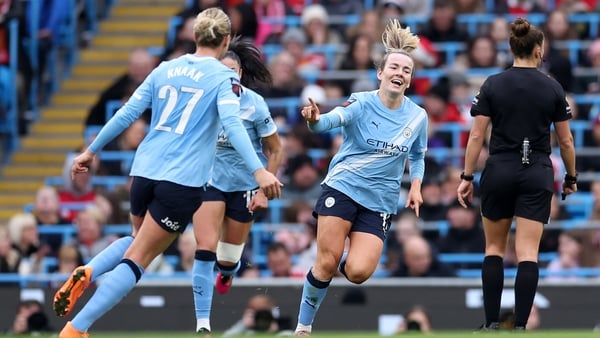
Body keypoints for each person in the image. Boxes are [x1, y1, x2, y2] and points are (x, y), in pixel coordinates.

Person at [52, 8, 282, 338]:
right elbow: (232, 125)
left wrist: (90, 151)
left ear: (195, 36)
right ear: (226, 40)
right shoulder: (223, 78)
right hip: (181, 181)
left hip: (144, 171)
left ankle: (89, 269)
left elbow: (128, 112)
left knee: (137, 239)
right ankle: (77, 328)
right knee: (139, 258)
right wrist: (260, 172)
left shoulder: (166, 69)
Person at [293, 19, 428, 336]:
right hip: (342, 187)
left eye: (406, 70)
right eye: (394, 67)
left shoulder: (417, 116)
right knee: (325, 262)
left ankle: (335, 272)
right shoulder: (361, 101)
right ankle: (303, 327)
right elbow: (331, 121)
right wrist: (315, 120)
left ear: (409, 79)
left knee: (357, 271)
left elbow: (418, 156)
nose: (399, 73)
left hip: (379, 201)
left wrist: (417, 185)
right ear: (381, 73)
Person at [456, 17, 577, 332]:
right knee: (528, 253)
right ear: (539, 51)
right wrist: (571, 177)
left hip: (500, 169)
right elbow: (565, 140)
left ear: (511, 47)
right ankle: (521, 325)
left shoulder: (493, 84)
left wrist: (467, 177)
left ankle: (491, 323)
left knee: (494, 249)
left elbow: (476, 137)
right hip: (536, 170)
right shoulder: (552, 86)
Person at [191, 36, 283, 335]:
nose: (227, 76)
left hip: (245, 186)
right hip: (210, 182)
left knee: (228, 258)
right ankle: (203, 322)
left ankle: (228, 272)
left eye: (232, 71)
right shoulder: (202, 102)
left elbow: (276, 149)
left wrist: (263, 189)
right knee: (204, 248)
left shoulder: (255, 104)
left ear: (240, 74)